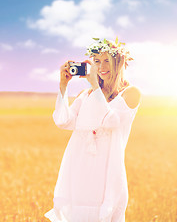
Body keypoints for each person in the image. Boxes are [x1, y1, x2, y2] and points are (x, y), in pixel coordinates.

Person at [45, 38, 141, 222]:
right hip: (78, 162)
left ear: (119, 63)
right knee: (77, 210)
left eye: (107, 61)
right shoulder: (86, 94)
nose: (102, 67)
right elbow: (64, 121)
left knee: (103, 209)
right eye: (97, 61)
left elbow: (110, 121)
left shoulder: (130, 93)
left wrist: (95, 86)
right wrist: (63, 87)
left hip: (106, 165)